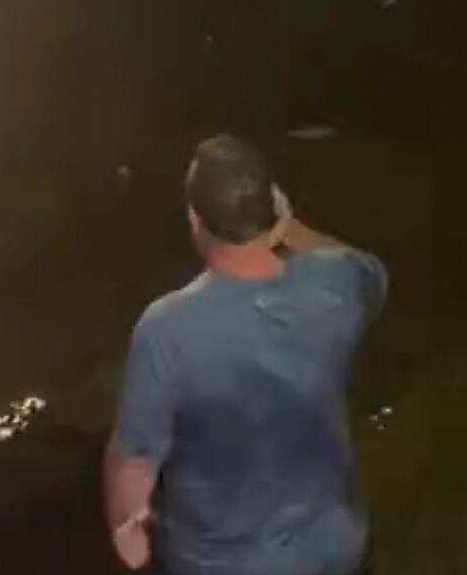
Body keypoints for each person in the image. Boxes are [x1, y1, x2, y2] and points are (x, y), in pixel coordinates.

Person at [105, 136, 386, 575]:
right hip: (334, 548)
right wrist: (289, 228)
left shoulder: (167, 331)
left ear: (195, 221)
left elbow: (136, 459)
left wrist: (129, 536)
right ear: (273, 205)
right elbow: (361, 267)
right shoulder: (339, 286)